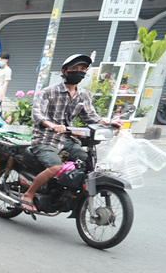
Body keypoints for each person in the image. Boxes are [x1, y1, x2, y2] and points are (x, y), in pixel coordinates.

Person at [22, 53, 122, 212]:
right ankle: (28, 194)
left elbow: (90, 116)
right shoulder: (49, 92)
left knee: (90, 165)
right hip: (45, 139)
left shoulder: (82, 94)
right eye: (74, 68)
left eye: (82, 69)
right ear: (65, 71)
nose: (79, 71)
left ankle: (67, 193)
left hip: (68, 140)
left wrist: (109, 123)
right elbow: (37, 114)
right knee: (55, 166)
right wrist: (52, 125)